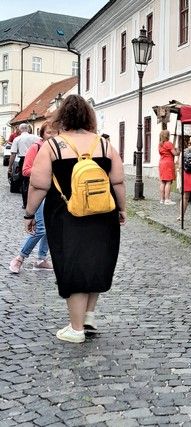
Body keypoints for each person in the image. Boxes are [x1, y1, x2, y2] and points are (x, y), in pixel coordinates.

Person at [25, 94, 126, 344]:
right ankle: (88, 317)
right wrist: (122, 209)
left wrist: (29, 213)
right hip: (103, 212)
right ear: (88, 117)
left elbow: (38, 185)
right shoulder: (104, 145)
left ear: (62, 118)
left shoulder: (53, 146)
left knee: (73, 264)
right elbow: (118, 182)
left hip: (65, 215)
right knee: (96, 261)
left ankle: (76, 328)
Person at [9, 122, 57, 274]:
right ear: (42, 134)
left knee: (50, 226)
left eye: (55, 132)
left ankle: (41, 259)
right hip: (39, 191)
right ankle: (19, 258)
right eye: (49, 132)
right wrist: (46, 171)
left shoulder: (59, 149)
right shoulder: (36, 147)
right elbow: (26, 170)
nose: (53, 135)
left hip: (55, 192)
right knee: (41, 228)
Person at [8, 123, 39, 208]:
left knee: (24, 182)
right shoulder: (36, 137)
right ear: (28, 129)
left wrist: (10, 167)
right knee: (36, 180)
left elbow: (13, 154)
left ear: (20, 130)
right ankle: (36, 202)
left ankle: (26, 204)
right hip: (35, 159)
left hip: (23, 160)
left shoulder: (17, 139)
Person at [158, 129, 177, 205]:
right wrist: (178, 151)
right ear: (167, 136)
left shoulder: (160, 144)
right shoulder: (168, 143)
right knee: (168, 182)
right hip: (168, 163)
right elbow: (174, 153)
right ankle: (167, 199)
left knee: (163, 181)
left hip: (162, 163)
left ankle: (162, 199)